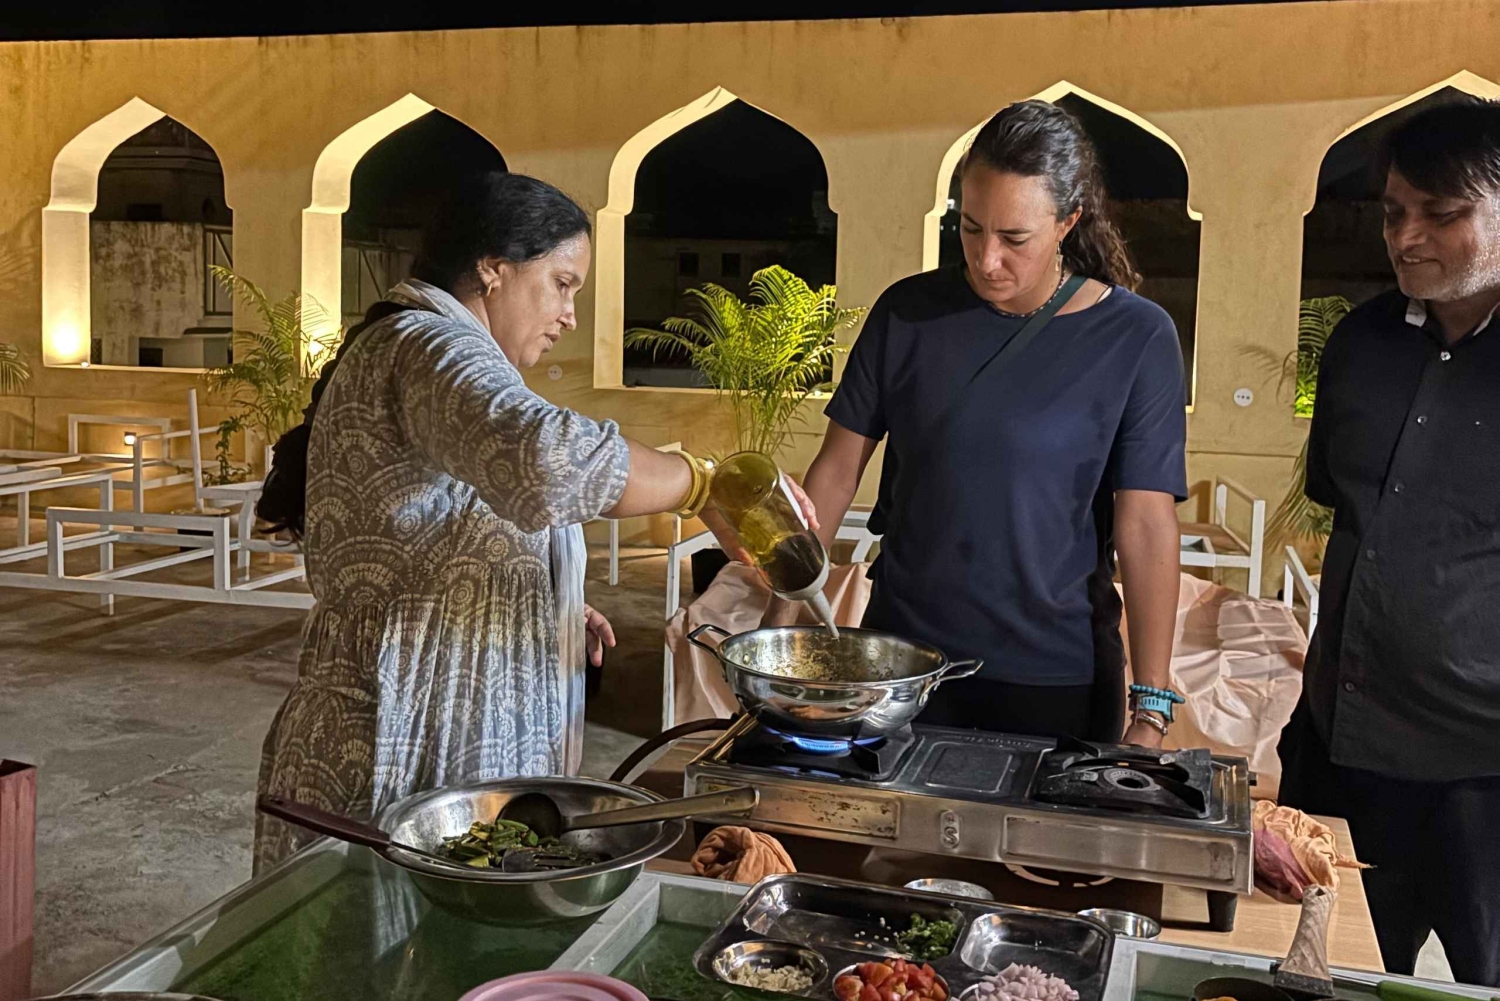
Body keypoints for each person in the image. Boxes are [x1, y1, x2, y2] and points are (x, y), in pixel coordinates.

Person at [252, 172, 812, 869]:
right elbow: (549, 458)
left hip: (437, 733)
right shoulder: (428, 346)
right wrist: (703, 482)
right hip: (399, 743)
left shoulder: (438, 352)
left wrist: (548, 601)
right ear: (493, 267)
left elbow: (440, 525)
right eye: (563, 283)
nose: (570, 314)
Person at [787, 100, 1188, 746]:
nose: (986, 258)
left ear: (1068, 221)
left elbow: (1145, 523)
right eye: (970, 229)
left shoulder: (1136, 337)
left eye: (1013, 239)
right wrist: (780, 633)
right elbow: (834, 474)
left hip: (1054, 678)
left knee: (1025, 851)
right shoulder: (907, 314)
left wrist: (1151, 708)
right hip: (899, 667)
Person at [1276, 99, 1500, 987]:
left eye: (1441, 214)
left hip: (1483, 763)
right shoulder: (1360, 345)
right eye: (1394, 211)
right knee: (1335, 967)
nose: (1406, 237)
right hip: (1349, 735)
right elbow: (1346, 512)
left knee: (1483, 974)